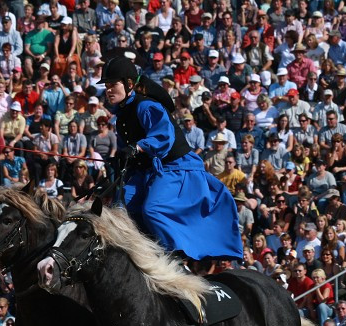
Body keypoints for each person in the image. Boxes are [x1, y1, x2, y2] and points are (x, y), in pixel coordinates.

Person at [97, 56, 241, 261]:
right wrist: (121, 159)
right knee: (118, 209)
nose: (108, 90)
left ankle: (172, 260)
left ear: (129, 84)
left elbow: (163, 137)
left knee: (153, 209)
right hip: (147, 170)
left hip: (175, 168)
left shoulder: (146, 106)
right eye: (106, 86)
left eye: (113, 85)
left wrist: (137, 147)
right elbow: (130, 150)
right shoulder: (121, 115)